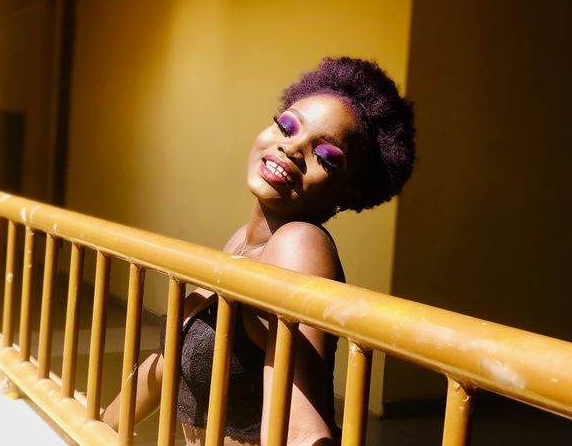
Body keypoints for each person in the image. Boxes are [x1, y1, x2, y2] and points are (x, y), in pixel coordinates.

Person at [102, 57, 415, 445]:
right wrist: (98, 427)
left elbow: (297, 426)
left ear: (348, 192)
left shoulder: (298, 245)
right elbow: (168, 364)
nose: (292, 147)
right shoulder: (244, 241)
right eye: (287, 125)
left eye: (326, 156)